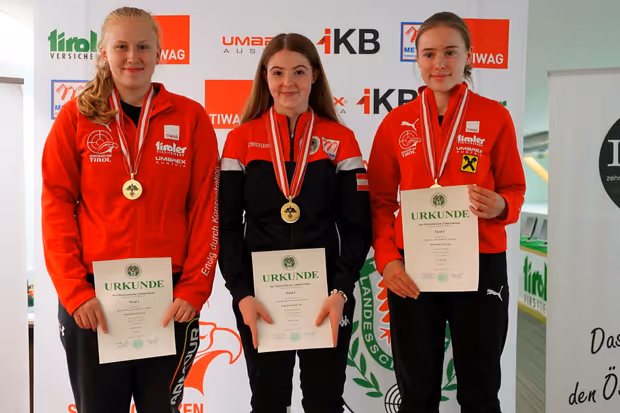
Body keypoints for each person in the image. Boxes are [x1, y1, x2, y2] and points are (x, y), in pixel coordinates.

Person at [41, 7, 220, 413]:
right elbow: (55, 206)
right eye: (121, 46)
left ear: (160, 53)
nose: (132, 57)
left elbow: (206, 208)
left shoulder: (190, 117)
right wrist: (74, 291)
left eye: (143, 46)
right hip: (92, 301)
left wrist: (194, 288)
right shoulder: (75, 117)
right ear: (104, 53)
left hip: (169, 300)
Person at [367, 11, 526, 413]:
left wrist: (502, 205)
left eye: (451, 52)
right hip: (412, 269)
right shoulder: (395, 123)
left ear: (469, 55)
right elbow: (381, 201)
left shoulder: (495, 116)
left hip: (481, 263)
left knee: (480, 390)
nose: (439, 63)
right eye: (429, 53)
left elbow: (514, 188)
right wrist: (387, 259)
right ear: (417, 59)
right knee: (416, 393)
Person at [219, 32, 372, 413]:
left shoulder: (340, 140)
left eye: (299, 72)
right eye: (278, 72)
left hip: (327, 298)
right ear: (265, 77)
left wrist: (341, 290)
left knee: (324, 402)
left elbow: (357, 226)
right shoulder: (240, 140)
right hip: (261, 299)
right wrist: (242, 294)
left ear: (315, 75)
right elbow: (226, 226)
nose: (288, 82)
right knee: (268, 402)